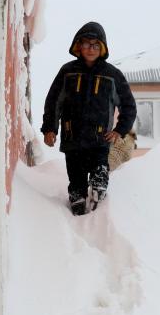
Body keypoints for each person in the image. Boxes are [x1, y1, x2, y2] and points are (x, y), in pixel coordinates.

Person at [41, 22, 137, 215]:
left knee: (99, 169)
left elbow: (128, 105)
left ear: (102, 48)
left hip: (99, 138)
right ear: (79, 46)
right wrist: (50, 128)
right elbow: (53, 101)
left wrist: (119, 130)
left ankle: (99, 187)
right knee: (76, 176)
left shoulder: (112, 75)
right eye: (86, 44)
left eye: (95, 45)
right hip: (72, 137)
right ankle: (77, 200)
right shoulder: (67, 72)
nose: (91, 49)